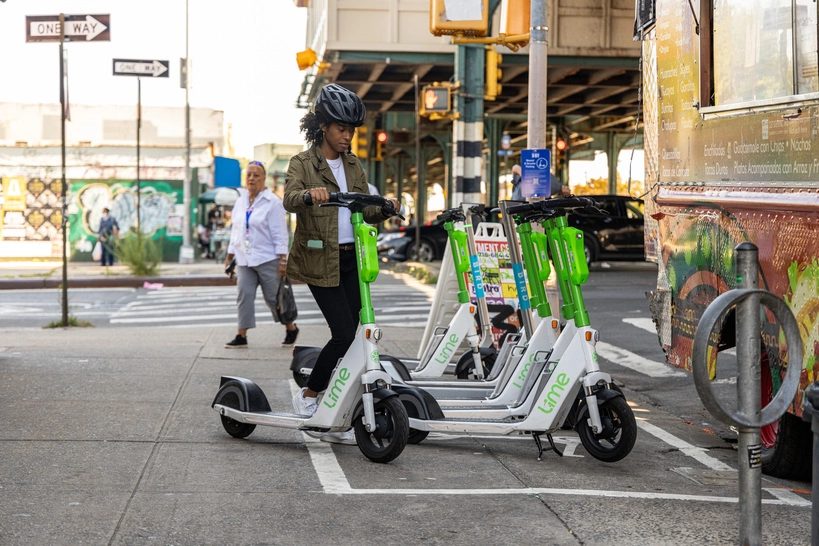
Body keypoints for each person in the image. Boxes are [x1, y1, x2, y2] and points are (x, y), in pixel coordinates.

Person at [283, 83, 400, 445]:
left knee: (363, 333)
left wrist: (385, 207)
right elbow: (289, 198)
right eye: (341, 129)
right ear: (323, 127)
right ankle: (310, 394)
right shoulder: (303, 163)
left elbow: (364, 207)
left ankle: (345, 404)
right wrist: (308, 194)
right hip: (322, 260)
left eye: (351, 130)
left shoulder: (353, 164)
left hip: (354, 259)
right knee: (344, 334)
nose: (348, 136)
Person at [224, 160, 299, 349]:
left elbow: (280, 233)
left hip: (268, 258)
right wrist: (229, 255)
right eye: (249, 174)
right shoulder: (241, 201)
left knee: (274, 298)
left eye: (256, 175)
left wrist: (283, 260)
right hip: (244, 258)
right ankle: (242, 335)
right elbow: (236, 230)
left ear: (264, 179)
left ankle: (291, 328)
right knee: (244, 294)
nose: (251, 178)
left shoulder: (272, 203)